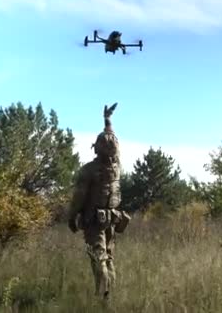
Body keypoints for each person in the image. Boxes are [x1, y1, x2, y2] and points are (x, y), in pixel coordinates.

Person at [67, 103, 131, 299]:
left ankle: (102, 299)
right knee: (109, 258)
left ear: (97, 149)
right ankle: (111, 295)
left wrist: (71, 218)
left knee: (99, 259)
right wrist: (107, 120)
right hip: (112, 219)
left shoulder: (89, 170)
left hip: (94, 222)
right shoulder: (117, 166)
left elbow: (78, 198)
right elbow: (112, 141)